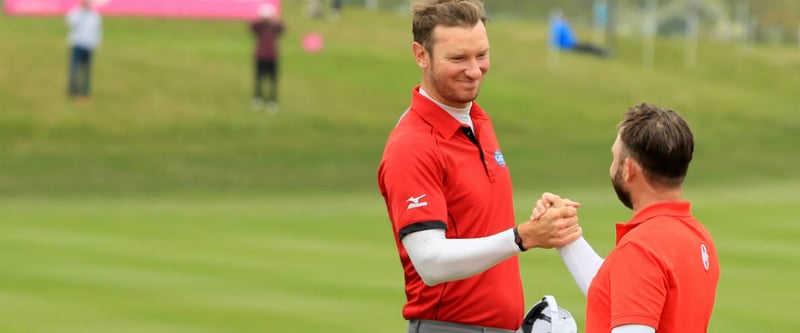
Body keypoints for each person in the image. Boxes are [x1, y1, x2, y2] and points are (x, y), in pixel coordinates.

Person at [377, 1, 582, 332]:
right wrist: (522, 237)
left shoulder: (476, 120)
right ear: (421, 55)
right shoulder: (412, 144)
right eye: (458, 58)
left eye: (481, 55)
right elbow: (430, 260)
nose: (474, 70)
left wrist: (539, 224)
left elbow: (479, 224)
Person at [532, 103, 720, 333]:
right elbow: (615, 296)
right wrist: (566, 236)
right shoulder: (699, 239)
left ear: (629, 169)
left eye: (615, 157)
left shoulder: (641, 249)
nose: (612, 166)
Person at [250, 4, 284, 113]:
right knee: (259, 78)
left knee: (272, 80)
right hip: (260, 56)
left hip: (272, 56)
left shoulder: (274, 27)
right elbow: (252, 26)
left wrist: (275, 20)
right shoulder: (260, 27)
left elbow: (282, 28)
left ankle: (272, 100)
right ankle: (258, 97)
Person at [66, 0, 102, 100]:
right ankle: (73, 92)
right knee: (74, 70)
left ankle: (85, 92)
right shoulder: (76, 13)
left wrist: (96, 43)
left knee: (86, 71)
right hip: (77, 44)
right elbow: (70, 22)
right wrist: (81, 11)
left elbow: (97, 31)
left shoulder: (95, 16)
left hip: (89, 46)